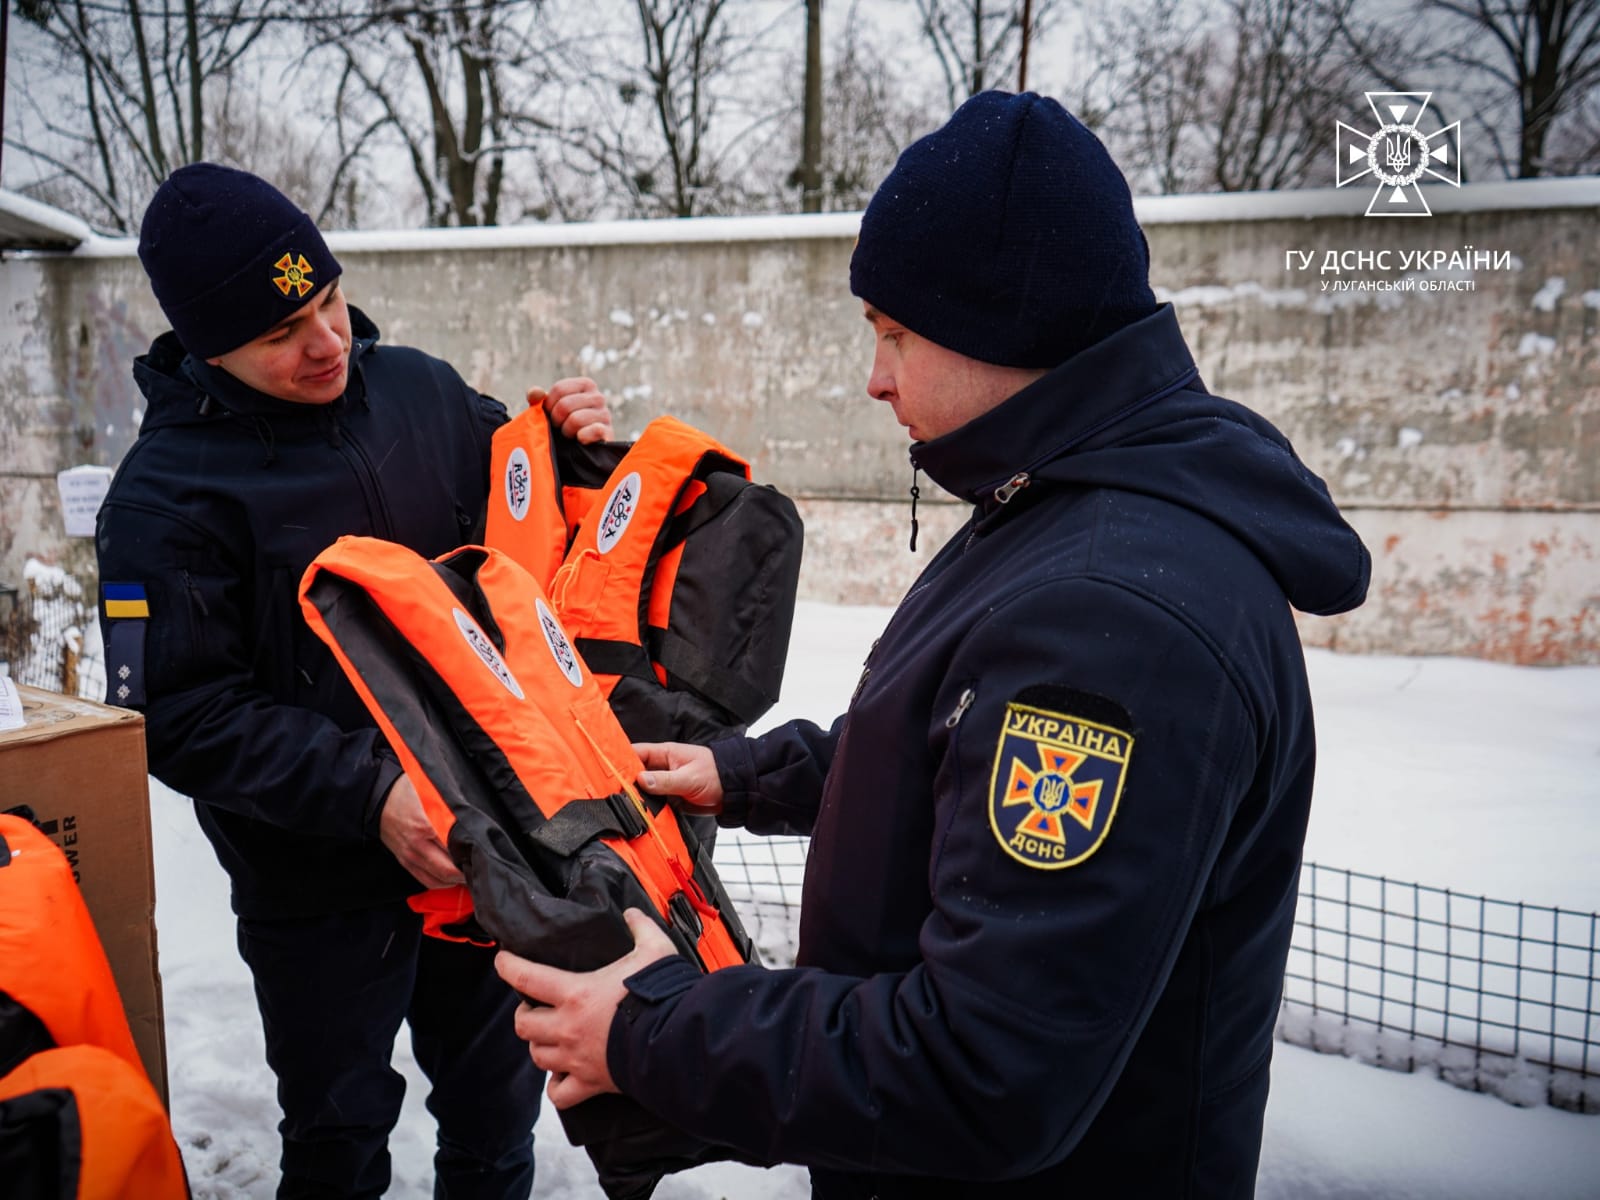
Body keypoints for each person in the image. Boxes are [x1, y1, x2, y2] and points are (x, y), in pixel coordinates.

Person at [494, 90, 1371, 1198]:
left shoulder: (1115, 623)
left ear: (1005, 321)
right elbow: (959, 730)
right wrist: (748, 773)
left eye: (894, 332)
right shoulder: (1067, 504)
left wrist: (651, 1029)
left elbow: (981, 1067)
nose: (875, 377)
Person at [95, 163, 611, 1200]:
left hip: (485, 845)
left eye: (326, 299)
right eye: (281, 330)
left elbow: (529, 537)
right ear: (206, 344)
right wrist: (370, 795)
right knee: (336, 1134)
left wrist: (581, 458)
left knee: (495, 1112)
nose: (326, 341)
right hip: (317, 885)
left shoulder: (424, 391)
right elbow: (182, 716)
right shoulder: (161, 498)